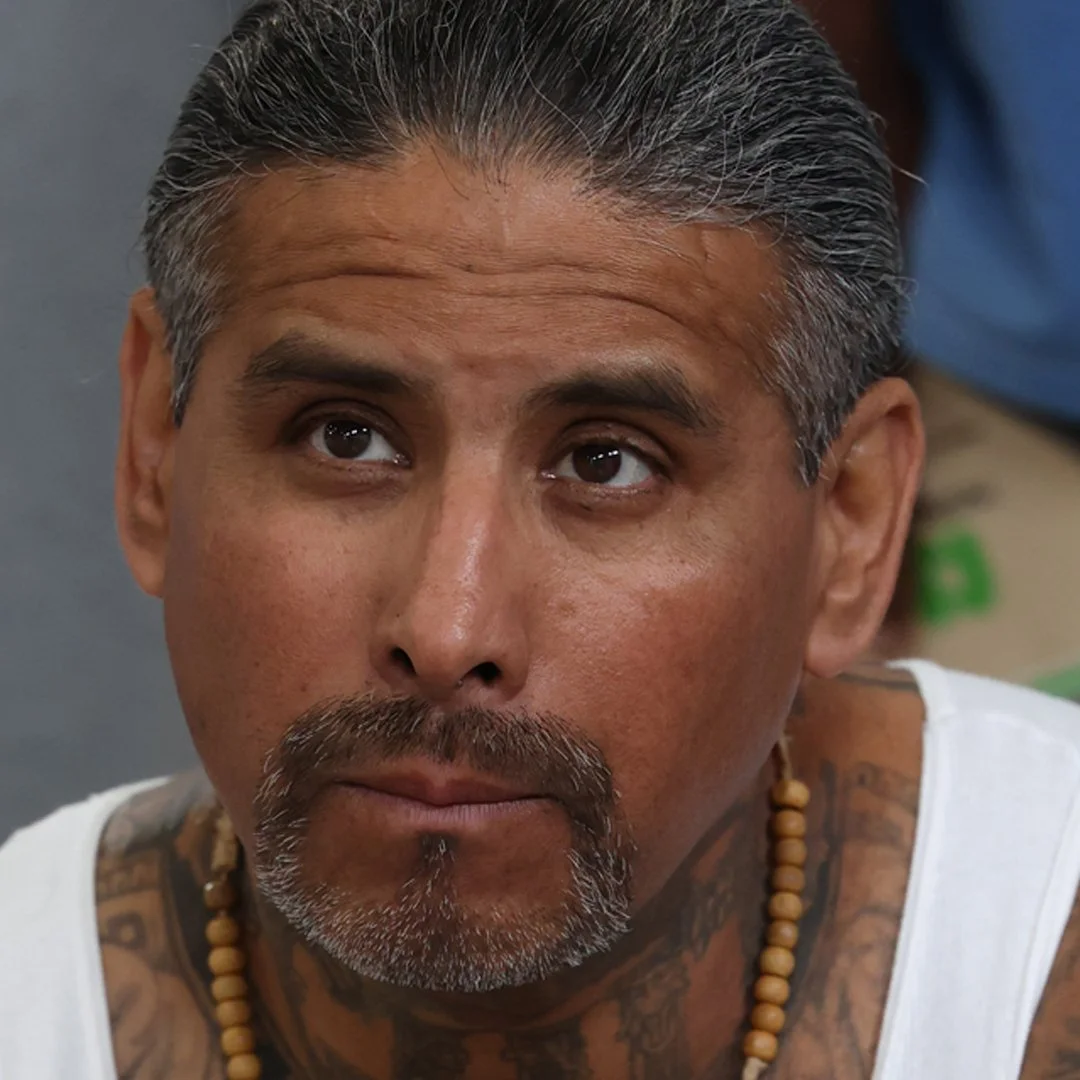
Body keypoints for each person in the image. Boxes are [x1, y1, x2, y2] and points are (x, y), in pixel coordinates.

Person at [2, 1, 1079, 1078]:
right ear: (156, 454)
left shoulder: (1038, 947)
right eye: (347, 438)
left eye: (608, 463)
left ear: (850, 526)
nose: (447, 624)